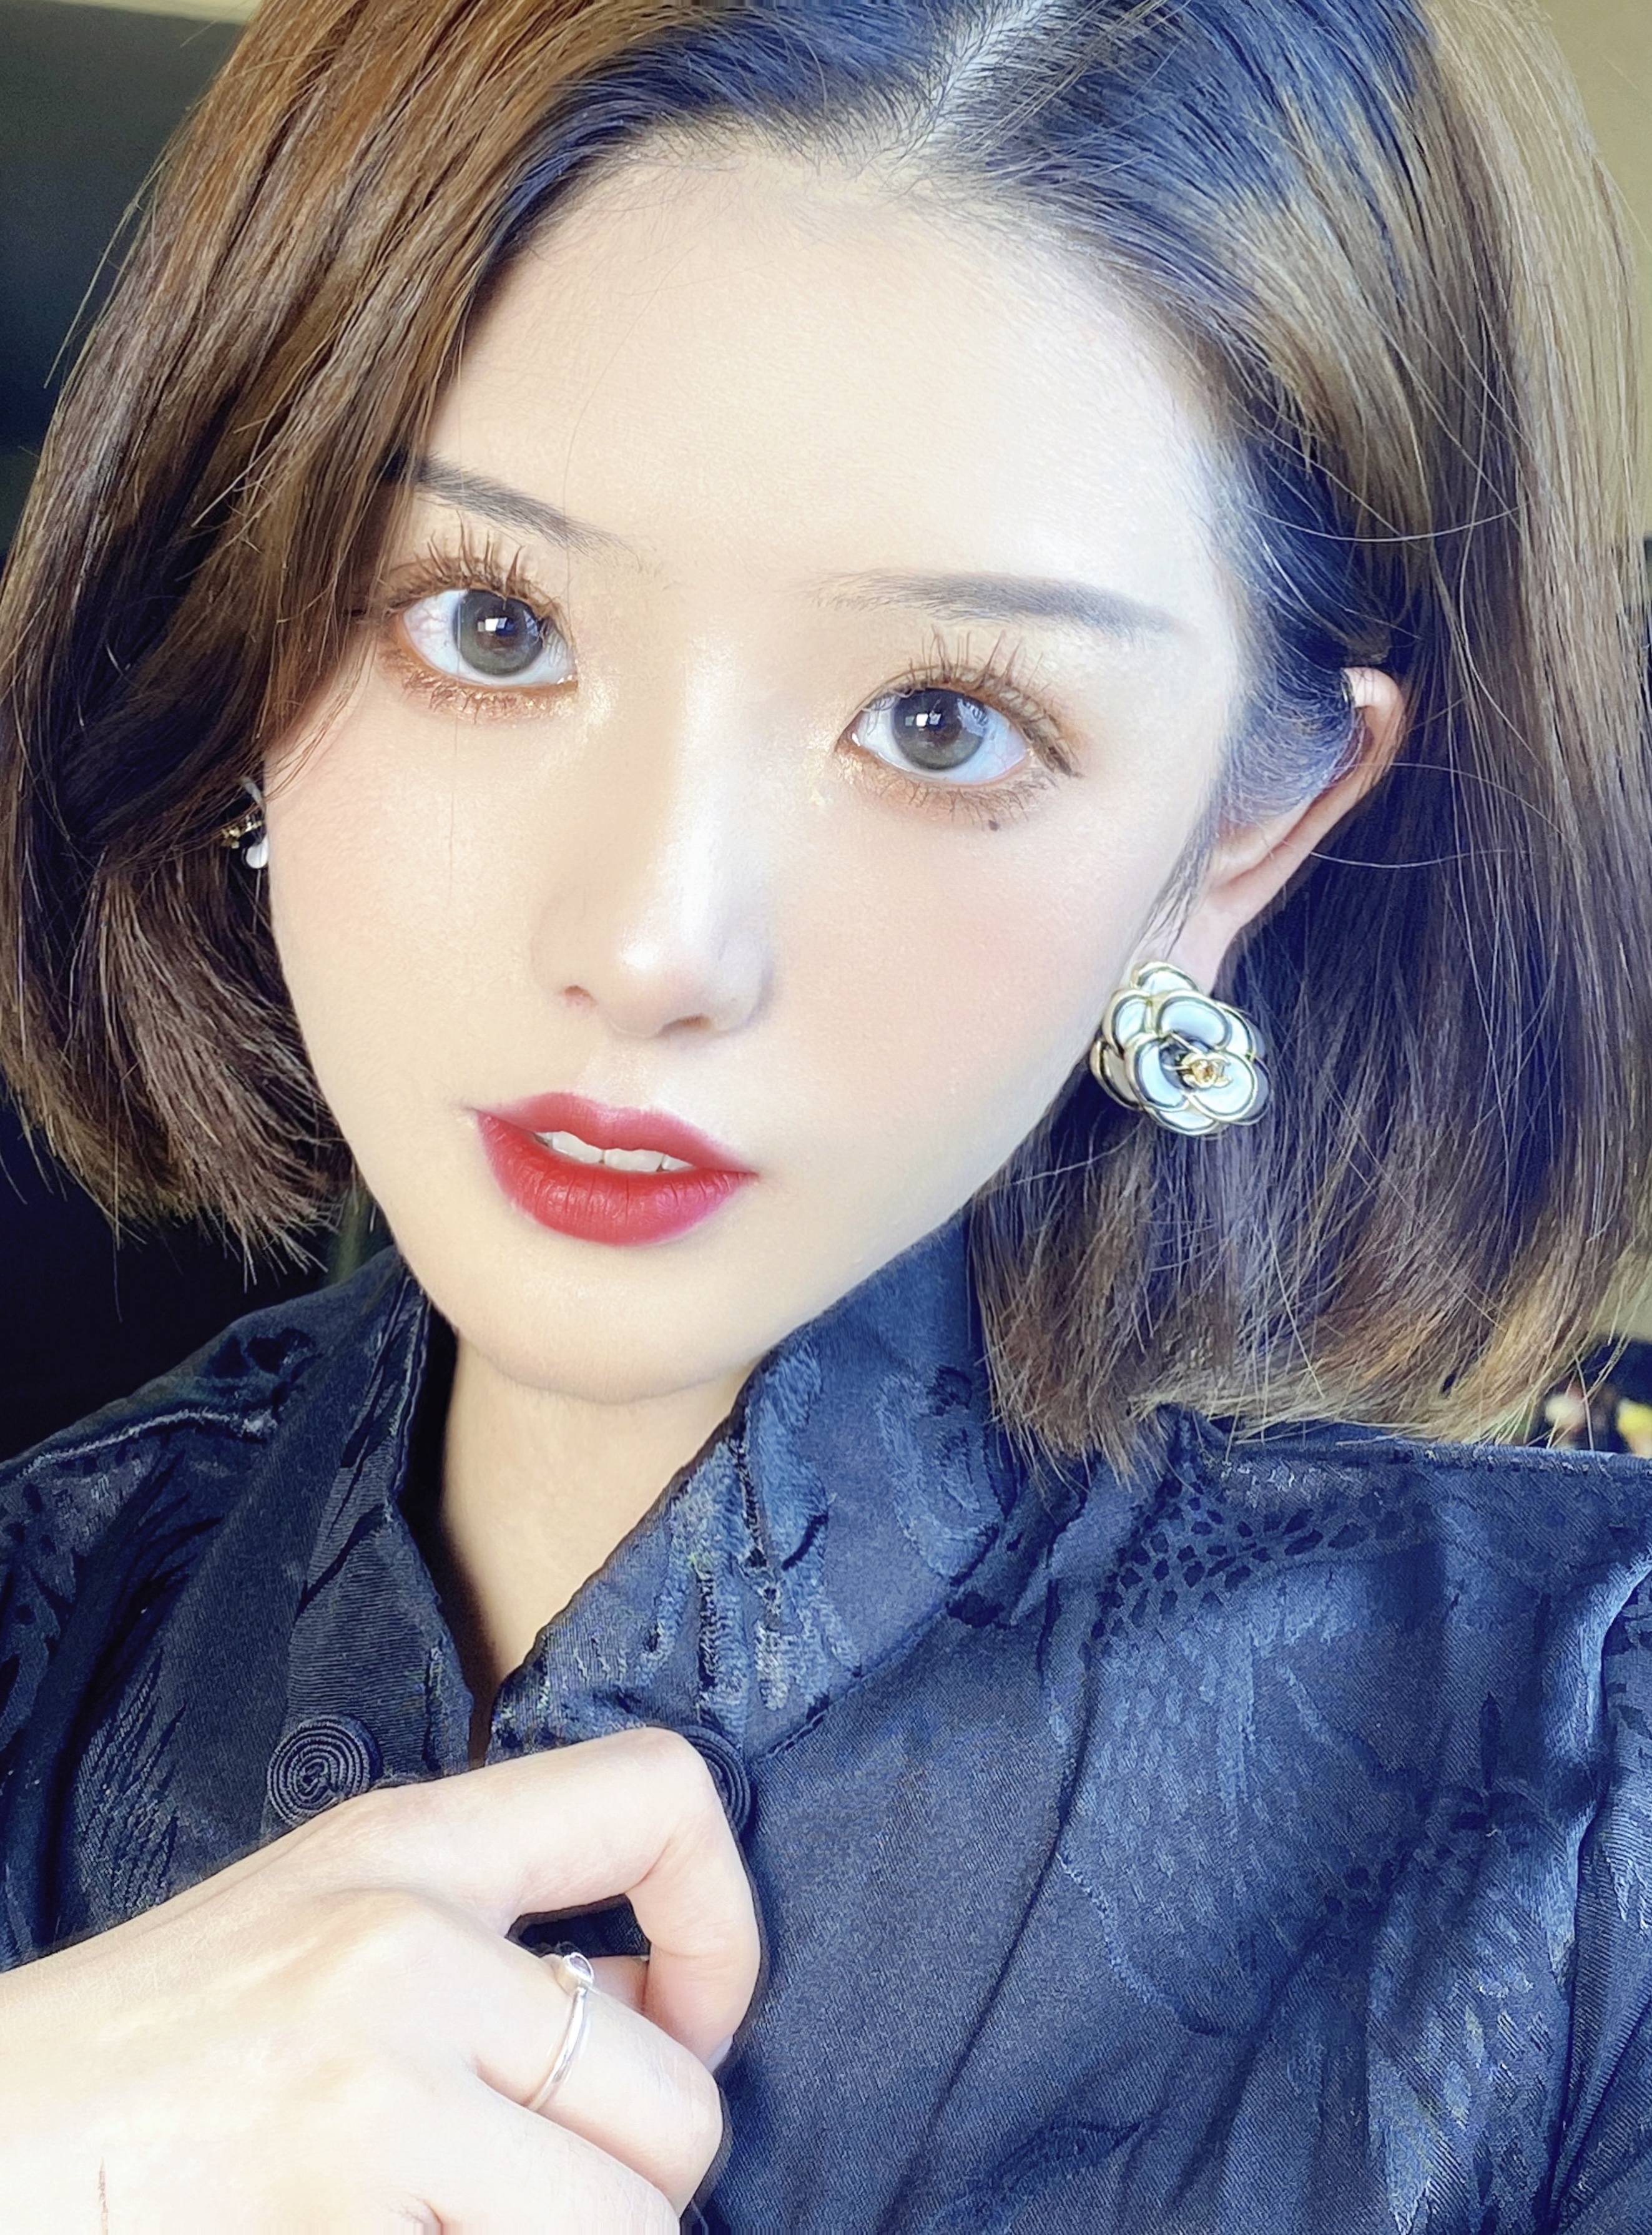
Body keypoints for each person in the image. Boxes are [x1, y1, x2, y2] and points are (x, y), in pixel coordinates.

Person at [0, 0, 1648, 2224]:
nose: (654, 942)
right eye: (489, 624)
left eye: (946, 722)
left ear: (1248, 826)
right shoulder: (34, 1635)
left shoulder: (1590, 1824)